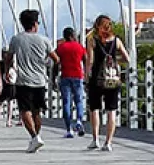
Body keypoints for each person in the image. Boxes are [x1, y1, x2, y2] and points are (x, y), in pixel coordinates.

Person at [6, 9, 55, 153]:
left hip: (23, 80)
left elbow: (9, 57)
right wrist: (44, 62)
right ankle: (36, 137)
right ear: (35, 24)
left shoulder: (16, 39)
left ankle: (34, 137)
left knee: (24, 110)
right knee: (36, 111)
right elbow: (56, 59)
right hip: (40, 81)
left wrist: (7, 71)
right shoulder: (44, 40)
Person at [85, 14, 133, 152]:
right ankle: (108, 142)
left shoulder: (92, 40)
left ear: (97, 26)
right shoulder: (117, 40)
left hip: (96, 78)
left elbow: (90, 61)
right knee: (111, 111)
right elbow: (127, 58)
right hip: (113, 79)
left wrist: (87, 76)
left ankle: (95, 140)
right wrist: (115, 61)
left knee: (94, 109)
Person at [55, 27, 90, 138]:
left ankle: (69, 129)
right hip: (78, 76)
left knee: (66, 103)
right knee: (79, 101)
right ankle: (79, 120)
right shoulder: (80, 47)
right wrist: (86, 74)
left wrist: (54, 76)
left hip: (65, 76)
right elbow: (86, 60)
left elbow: (55, 61)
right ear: (72, 35)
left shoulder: (61, 48)